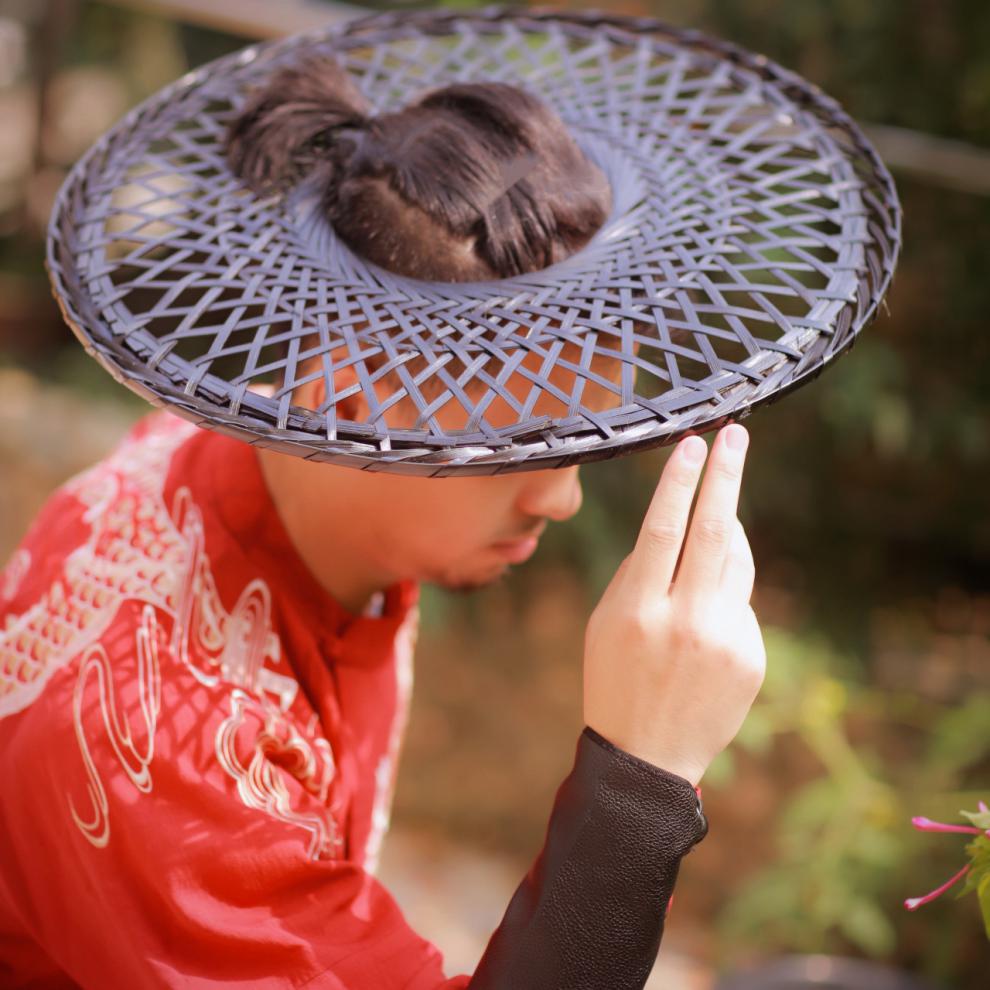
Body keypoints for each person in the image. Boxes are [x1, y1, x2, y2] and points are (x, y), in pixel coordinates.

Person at [0, 55, 765, 989]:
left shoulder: (267, 447)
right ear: (353, 395)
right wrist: (639, 779)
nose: (561, 498)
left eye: (583, 442)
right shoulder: (164, 746)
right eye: (522, 448)